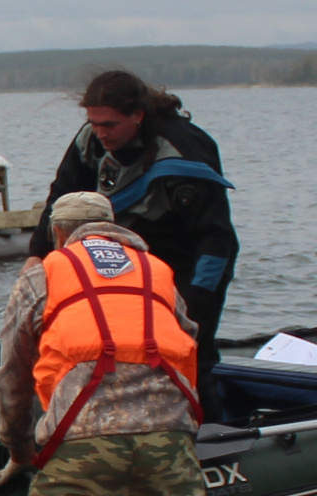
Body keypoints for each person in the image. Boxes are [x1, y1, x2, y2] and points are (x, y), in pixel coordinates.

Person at [0, 190, 204, 496]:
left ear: (58, 234)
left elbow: (12, 378)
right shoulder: (157, 272)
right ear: (115, 227)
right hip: (168, 437)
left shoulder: (44, 275)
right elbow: (186, 343)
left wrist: (18, 449)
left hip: (83, 441)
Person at [27, 71, 237, 420]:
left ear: (137, 116)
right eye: (94, 123)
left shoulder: (184, 151)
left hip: (185, 262)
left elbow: (218, 240)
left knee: (192, 354)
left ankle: (212, 435)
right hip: (126, 263)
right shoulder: (90, 142)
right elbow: (61, 200)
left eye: (110, 124)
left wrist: (197, 302)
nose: (101, 133)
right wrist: (38, 253)